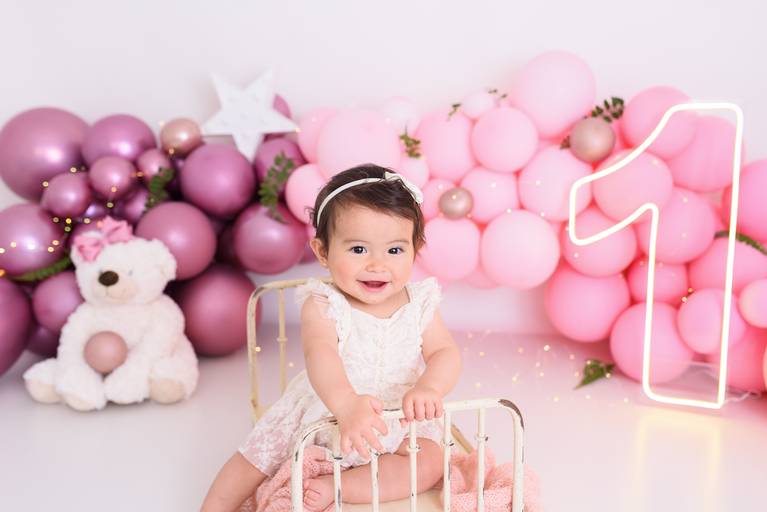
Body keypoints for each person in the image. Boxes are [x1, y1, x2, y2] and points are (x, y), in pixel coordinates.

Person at [201, 164, 461, 511]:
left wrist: (430, 387)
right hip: (332, 401)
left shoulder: (420, 303)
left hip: (396, 411)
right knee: (257, 455)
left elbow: (444, 352)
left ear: (416, 249)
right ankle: (214, 506)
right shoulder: (325, 304)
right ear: (323, 252)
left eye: (394, 250)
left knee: (429, 462)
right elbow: (320, 354)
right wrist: (346, 404)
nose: (377, 264)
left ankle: (340, 487)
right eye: (358, 250)